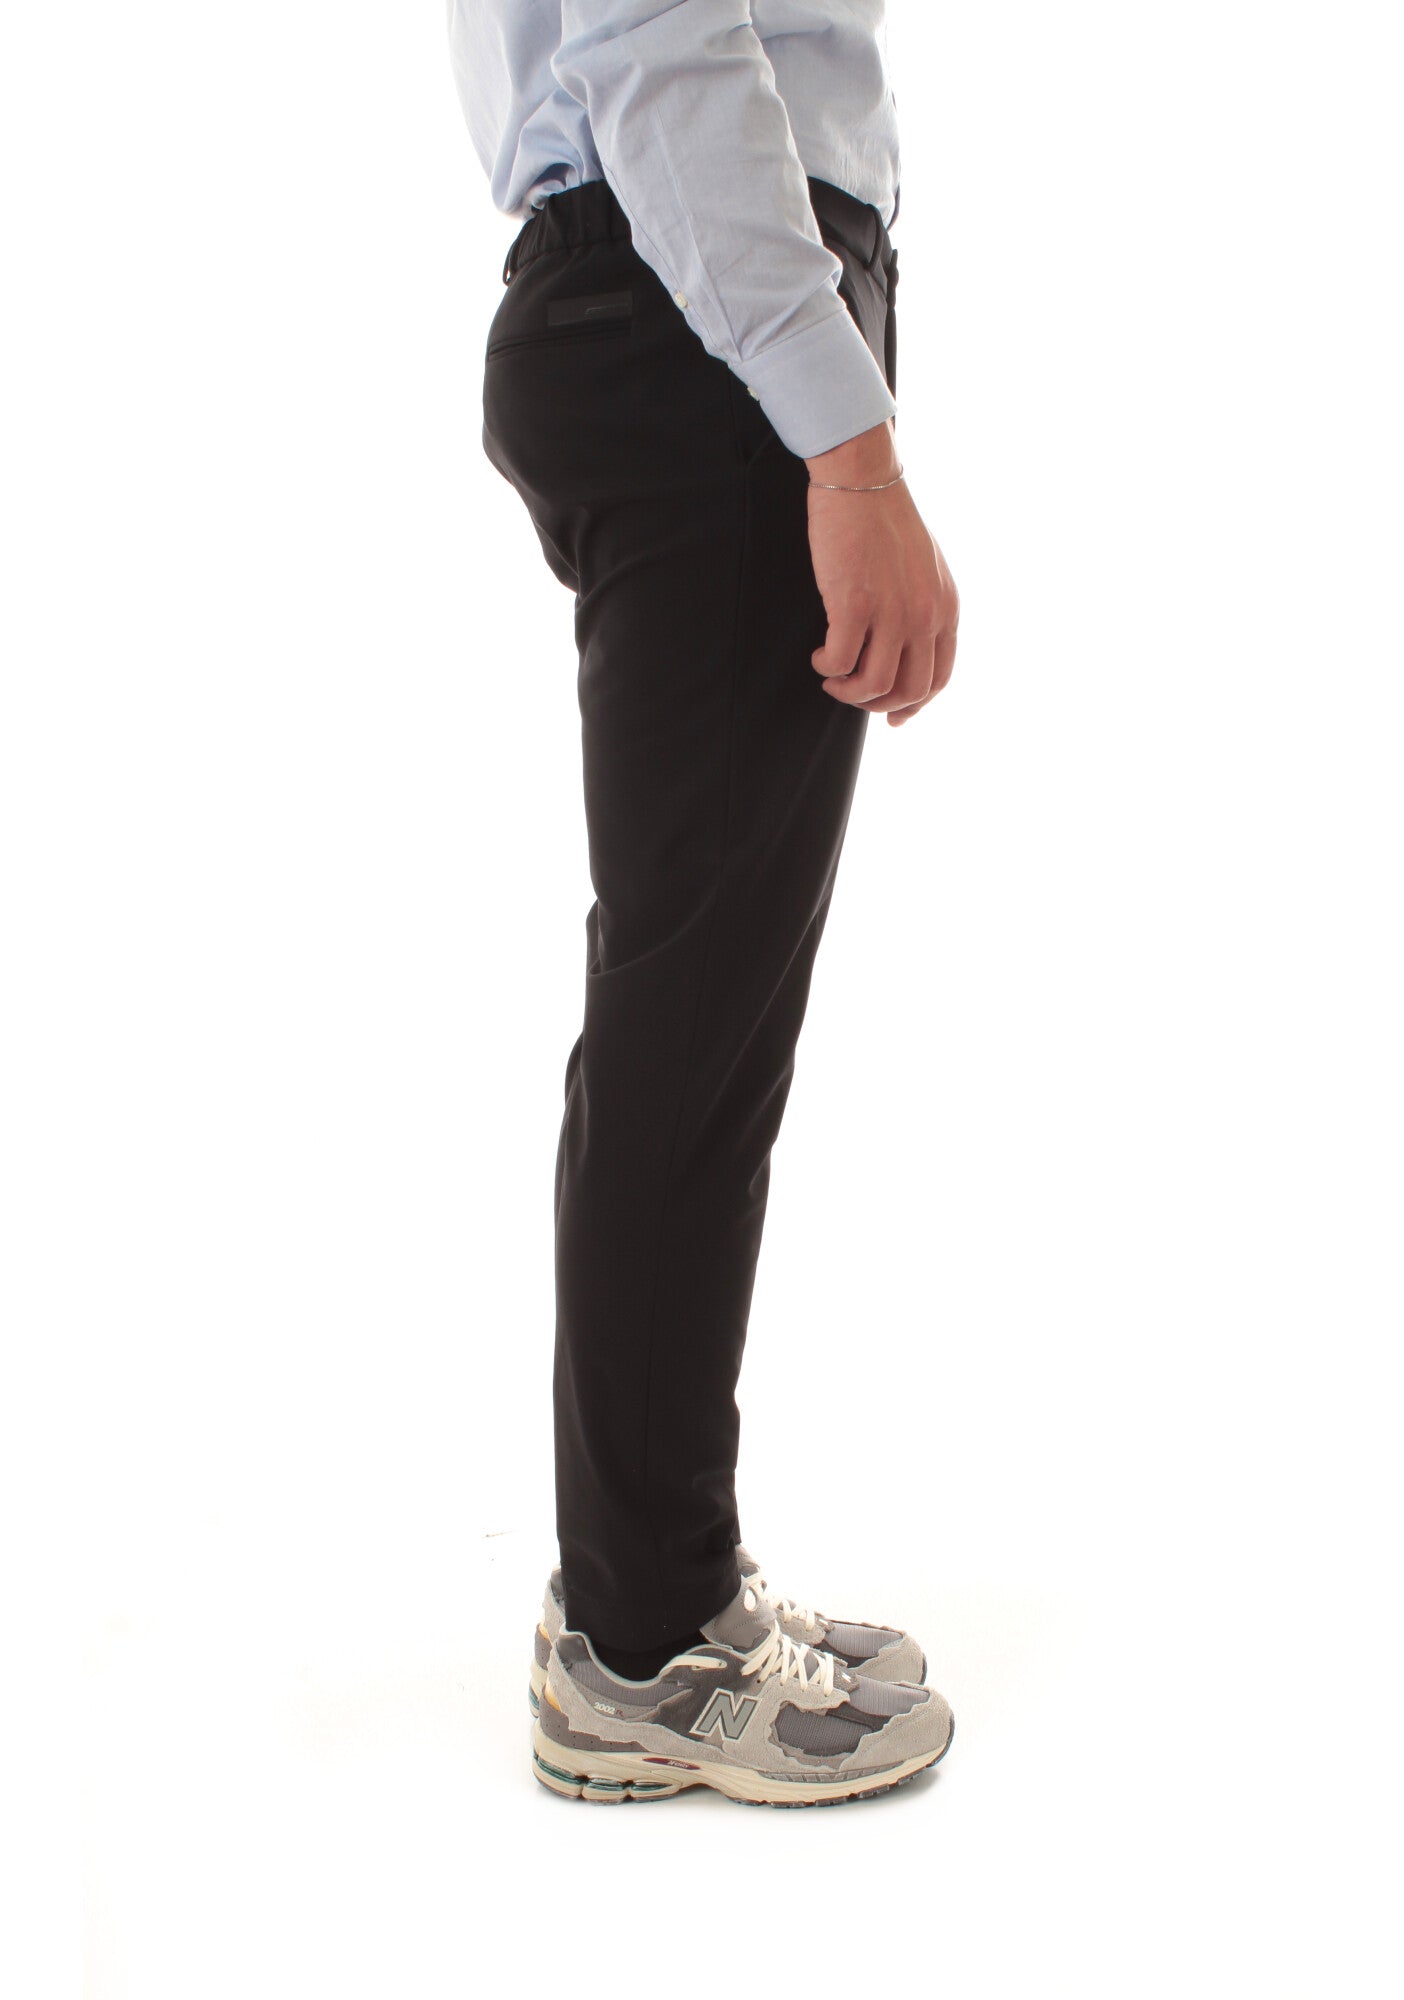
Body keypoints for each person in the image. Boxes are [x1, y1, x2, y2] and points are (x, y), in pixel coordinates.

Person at [446, 0, 961, 1805]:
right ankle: (644, 1640)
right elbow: (662, 38)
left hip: (687, 306)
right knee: (692, 1029)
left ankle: (656, 1589)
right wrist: (849, 446)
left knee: (694, 1017)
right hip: (709, 325)